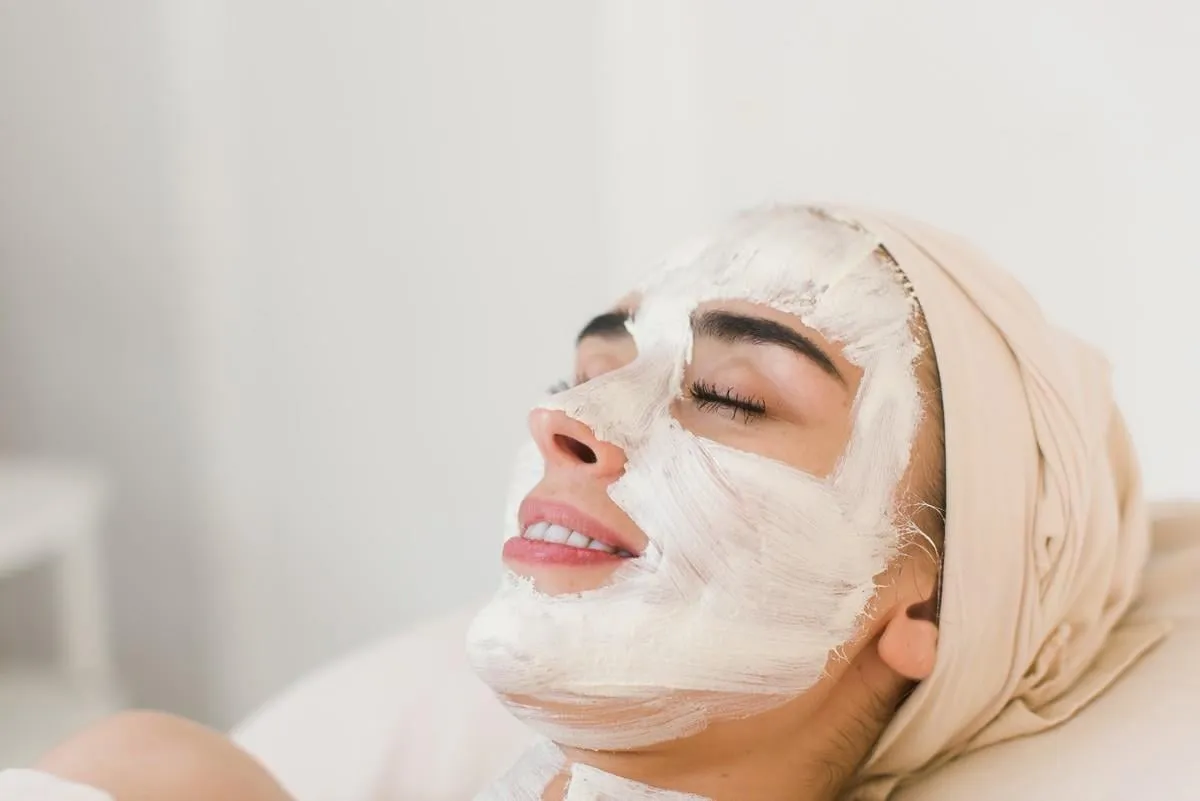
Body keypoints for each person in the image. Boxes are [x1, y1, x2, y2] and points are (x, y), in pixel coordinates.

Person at [0, 205, 1165, 801]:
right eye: (593, 371)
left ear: (935, 608)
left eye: (726, 395)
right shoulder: (161, 777)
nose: (570, 421)